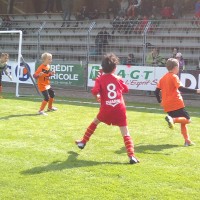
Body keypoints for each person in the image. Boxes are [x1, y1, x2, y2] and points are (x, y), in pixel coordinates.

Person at [75, 53, 139, 164]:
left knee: (95, 122)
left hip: (106, 109)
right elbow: (126, 89)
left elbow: (94, 91)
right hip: (119, 108)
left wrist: (98, 97)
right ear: (115, 68)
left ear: (103, 68)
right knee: (125, 132)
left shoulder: (100, 79)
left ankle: (83, 142)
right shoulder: (118, 78)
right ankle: (131, 156)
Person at [155, 58, 200, 146]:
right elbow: (181, 88)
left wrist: (160, 101)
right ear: (175, 67)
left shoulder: (163, 78)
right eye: (178, 67)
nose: (179, 69)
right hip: (176, 103)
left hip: (167, 105)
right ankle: (173, 119)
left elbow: (156, 91)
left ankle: (187, 140)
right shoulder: (174, 76)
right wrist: (196, 91)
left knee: (183, 122)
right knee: (188, 120)